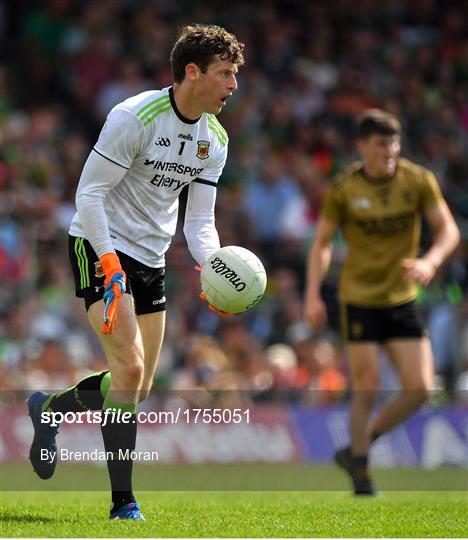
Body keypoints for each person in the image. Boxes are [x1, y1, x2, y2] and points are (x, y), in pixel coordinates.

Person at [27, 24, 244, 520]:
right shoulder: (134, 116)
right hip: (98, 242)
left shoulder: (215, 138)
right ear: (192, 72)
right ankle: (123, 503)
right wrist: (108, 262)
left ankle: (50, 409)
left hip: (150, 257)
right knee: (128, 370)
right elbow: (89, 195)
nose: (234, 86)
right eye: (226, 74)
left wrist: (213, 270)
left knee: (139, 385)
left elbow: (200, 220)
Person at [304, 109, 460, 495]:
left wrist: (430, 260)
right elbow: (321, 243)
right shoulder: (344, 189)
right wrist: (312, 294)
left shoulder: (417, 181)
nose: (389, 150)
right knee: (367, 386)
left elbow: (448, 230)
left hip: (402, 298)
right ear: (362, 147)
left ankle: (362, 444)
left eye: (393, 143)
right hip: (358, 299)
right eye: (381, 144)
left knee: (421, 387)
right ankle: (362, 476)